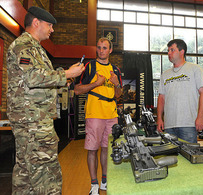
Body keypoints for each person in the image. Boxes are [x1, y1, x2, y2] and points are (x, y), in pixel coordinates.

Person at [6, 6, 85, 195]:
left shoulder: (37, 50)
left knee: (26, 174)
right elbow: (32, 77)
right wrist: (65, 73)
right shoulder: (22, 46)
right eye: (49, 25)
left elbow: (39, 80)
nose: (52, 29)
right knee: (46, 173)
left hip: (35, 119)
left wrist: (64, 79)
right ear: (36, 23)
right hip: (32, 122)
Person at [74, 37, 122, 195]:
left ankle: (105, 180)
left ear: (110, 50)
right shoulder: (90, 66)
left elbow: (119, 95)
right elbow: (77, 90)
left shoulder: (115, 70)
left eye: (104, 48)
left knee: (107, 150)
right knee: (93, 149)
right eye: (99, 47)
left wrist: (116, 84)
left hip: (111, 114)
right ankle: (94, 183)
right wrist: (96, 83)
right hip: (94, 114)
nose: (101, 50)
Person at [156, 39, 203, 143]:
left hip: (188, 125)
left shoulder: (195, 69)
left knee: (188, 155)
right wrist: (159, 119)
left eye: (172, 50)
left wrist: (201, 117)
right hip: (169, 126)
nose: (169, 53)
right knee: (170, 157)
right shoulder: (165, 74)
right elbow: (161, 98)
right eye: (168, 51)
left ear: (181, 51)